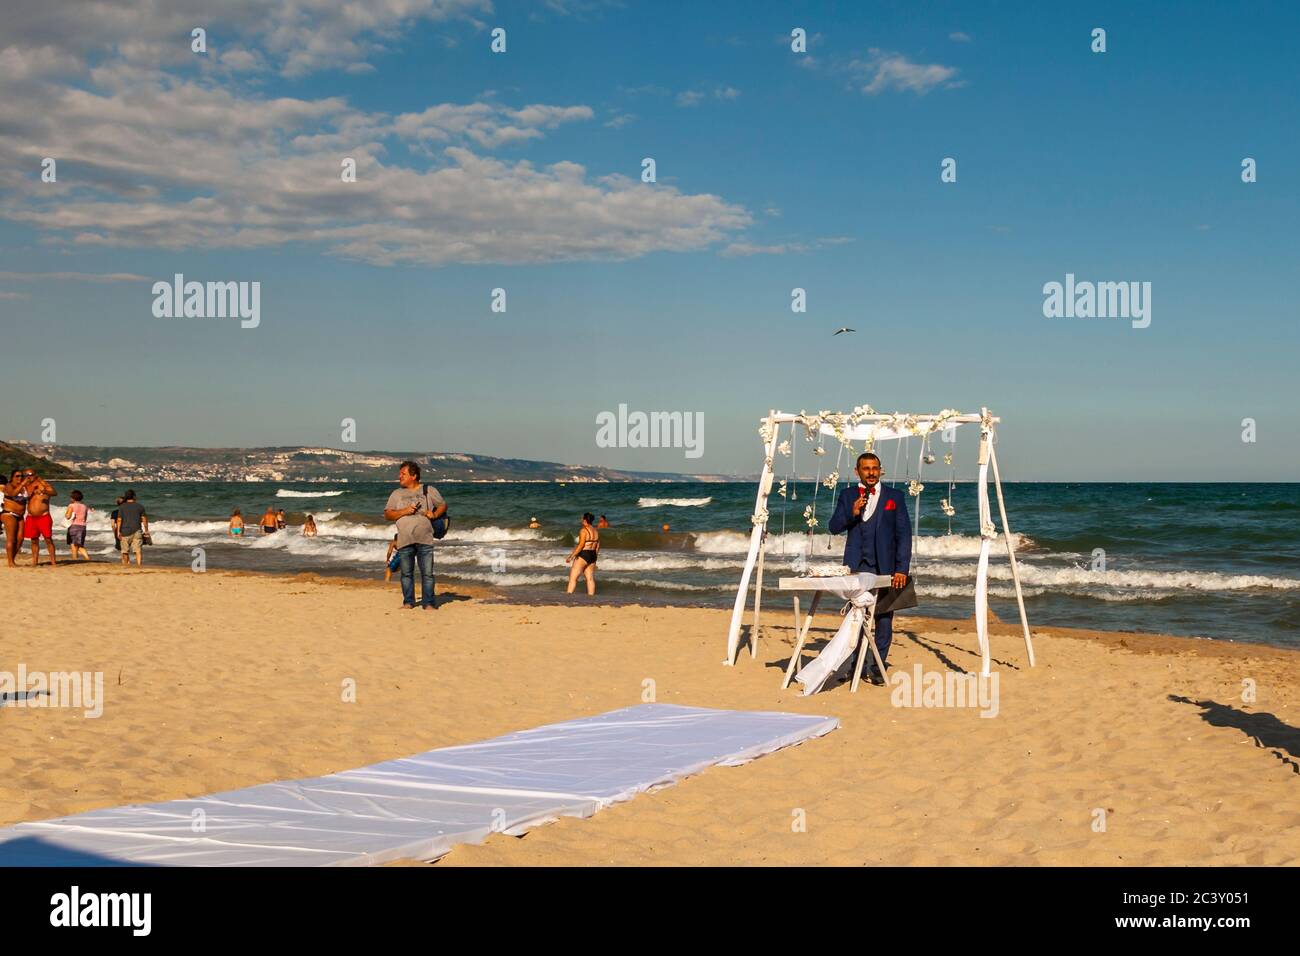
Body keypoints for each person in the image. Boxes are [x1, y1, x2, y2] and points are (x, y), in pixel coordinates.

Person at [828, 452, 912, 681]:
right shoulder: (847, 495)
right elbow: (833, 527)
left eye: (875, 467)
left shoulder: (895, 496)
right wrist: (851, 512)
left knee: (884, 618)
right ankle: (855, 665)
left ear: (880, 469)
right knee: (856, 616)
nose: (871, 472)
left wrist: (902, 568)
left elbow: (904, 535)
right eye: (866, 468)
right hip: (857, 565)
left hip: (886, 567)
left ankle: (877, 665)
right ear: (858, 471)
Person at [382, 461, 446, 610]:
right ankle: (408, 602)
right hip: (404, 539)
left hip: (425, 539)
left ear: (414, 475)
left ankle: (428, 603)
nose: (400, 476)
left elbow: (443, 505)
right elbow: (387, 514)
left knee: (428, 574)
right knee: (406, 574)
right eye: (400, 474)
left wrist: (435, 513)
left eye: (403, 474)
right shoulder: (396, 494)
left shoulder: (428, 490)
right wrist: (405, 511)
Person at [22, 470, 57, 567]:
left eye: (30, 475)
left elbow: (54, 492)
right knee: (34, 540)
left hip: (43, 517)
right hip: (31, 517)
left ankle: (53, 562)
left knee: (48, 539)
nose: (28, 477)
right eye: (26, 475)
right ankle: (35, 561)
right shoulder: (25, 487)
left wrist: (44, 490)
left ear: (35, 475)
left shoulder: (42, 483)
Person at [565, 512, 600, 596]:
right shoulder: (595, 531)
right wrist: (595, 558)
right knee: (590, 578)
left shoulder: (583, 530)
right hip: (593, 555)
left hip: (584, 554)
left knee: (573, 578)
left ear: (585, 520)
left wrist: (571, 556)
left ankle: (568, 596)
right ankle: (591, 597)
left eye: (582, 518)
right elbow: (598, 545)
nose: (581, 519)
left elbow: (581, 545)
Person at [114, 489, 149, 568]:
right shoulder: (140, 506)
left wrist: (118, 531)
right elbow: (144, 519)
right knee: (138, 550)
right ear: (134, 496)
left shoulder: (122, 507)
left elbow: (119, 520)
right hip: (137, 530)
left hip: (124, 531)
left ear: (126, 497)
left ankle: (127, 565)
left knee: (125, 551)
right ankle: (139, 565)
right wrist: (146, 530)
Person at [2, 469, 29, 568]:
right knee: (11, 539)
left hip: (20, 515)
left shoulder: (24, 487)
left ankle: (12, 559)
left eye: (21, 476)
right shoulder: (9, 486)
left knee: (20, 538)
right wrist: (22, 484)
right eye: (17, 476)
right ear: (12, 477)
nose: (20, 478)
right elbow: (13, 494)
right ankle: (10, 562)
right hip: (9, 514)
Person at [64, 489, 91, 561]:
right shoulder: (85, 506)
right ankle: (87, 558)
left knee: (73, 543)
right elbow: (85, 518)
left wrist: (66, 514)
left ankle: (74, 559)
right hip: (83, 526)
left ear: (73, 498)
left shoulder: (71, 505)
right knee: (79, 545)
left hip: (74, 526)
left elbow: (68, 516)